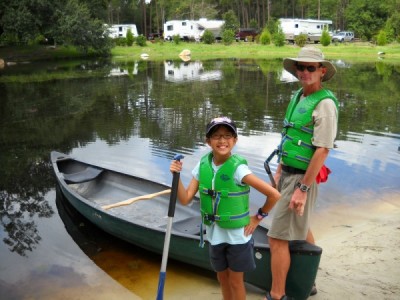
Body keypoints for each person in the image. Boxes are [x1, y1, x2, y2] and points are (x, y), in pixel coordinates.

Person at [170, 116, 281, 300]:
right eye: (216, 136)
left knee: (236, 282)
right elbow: (185, 199)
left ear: (235, 140)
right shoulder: (202, 165)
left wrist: (258, 217)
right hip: (214, 235)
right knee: (222, 278)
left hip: (237, 238)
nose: (222, 140)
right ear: (208, 141)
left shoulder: (239, 169)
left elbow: (274, 195)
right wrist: (176, 175)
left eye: (228, 135)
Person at [266, 46, 339, 300]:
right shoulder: (299, 95)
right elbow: (288, 137)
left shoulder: (325, 104)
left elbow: (322, 151)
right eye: (301, 67)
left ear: (321, 71)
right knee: (302, 225)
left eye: (311, 68)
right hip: (287, 173)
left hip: (301, 178)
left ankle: (277, 295)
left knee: (276, 238)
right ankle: (308, 283)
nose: (305, 72)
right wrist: (278, 171)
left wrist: (303, 189)